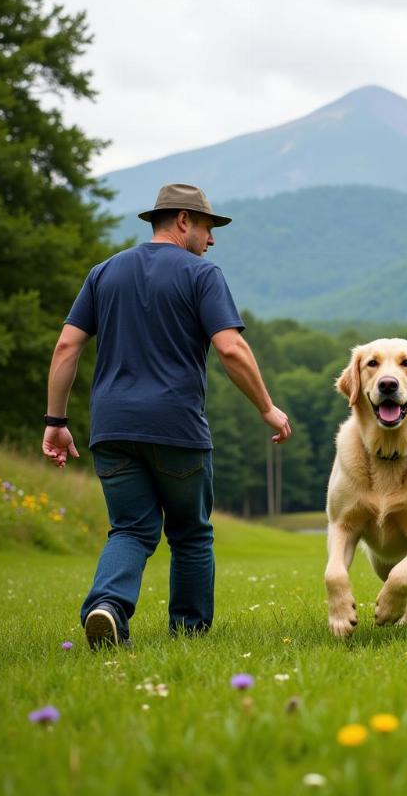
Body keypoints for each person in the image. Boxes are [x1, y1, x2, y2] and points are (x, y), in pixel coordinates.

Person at [42, 183, 291, 648]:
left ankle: (107, 607)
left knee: (132, 529)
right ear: (182, 221)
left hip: (112, 429)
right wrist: (267, 408)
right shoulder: (202, 275)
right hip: (176, 427)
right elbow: (231, 348)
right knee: (191, 534)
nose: (211, 240)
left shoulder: (103, 273)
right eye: (206, 227)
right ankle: (189, 636)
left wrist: (55, 422)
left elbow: (66, 346)